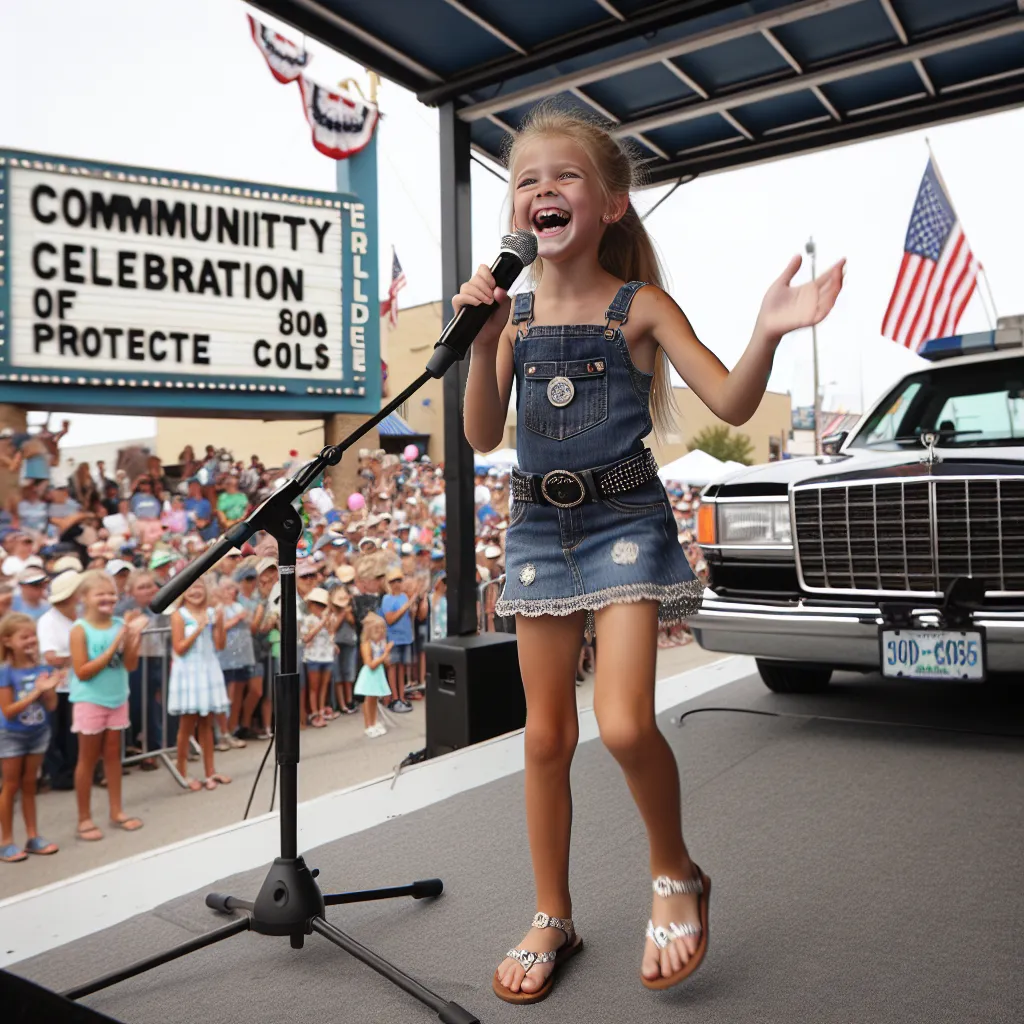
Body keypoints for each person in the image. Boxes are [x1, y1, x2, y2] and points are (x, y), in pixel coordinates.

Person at [457, 105, 844, 1000]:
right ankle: (552, 913)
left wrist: (770, 330)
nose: (543, 189)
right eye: (526, 179)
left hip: (626, 519)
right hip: (535, 529)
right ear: (516, 213)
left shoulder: (641, 307)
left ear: (614, 206)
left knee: (624, 722)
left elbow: (734, 403)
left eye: (566, 176)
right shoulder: (506, 317)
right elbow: (482, 435)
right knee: (546, 734)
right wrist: (482, 346)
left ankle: (675, 870)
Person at [68, 570, 147, 841]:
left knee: (113, 757)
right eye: (100, 593)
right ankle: (84, 818)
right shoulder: (79, 630)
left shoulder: (119, 624)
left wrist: (133, 640)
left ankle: (116, 811)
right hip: (90, 701)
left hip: (117, 698)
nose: (107, 598)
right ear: (84, 598)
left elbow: (130, 665)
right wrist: (117, 641)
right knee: (87, 760)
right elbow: (83, 672)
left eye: (111, 593)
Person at [0, 613, 60, 861]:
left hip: (38, 733)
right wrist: (37, 691)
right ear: (7, 641)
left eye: (32, 635)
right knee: (10, 786)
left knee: (29, 784)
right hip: (11, 735)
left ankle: (33, 836)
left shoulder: (43, 669)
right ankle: (6, 841)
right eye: (23, 636)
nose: (30, 640)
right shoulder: (6, 672)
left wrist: (49, 690)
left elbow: (53, 705)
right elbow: (8, 711)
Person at [167, 580, 231, 791]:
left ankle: (210, 772)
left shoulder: (211, 612)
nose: (195, 591)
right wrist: (199, 628)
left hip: (208, 668)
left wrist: (220, 624)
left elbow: (220, 645)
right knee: (187, 724)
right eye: (190, 587)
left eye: (199, 587)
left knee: (207, 722)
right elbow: (179, 648)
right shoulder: (179, 616)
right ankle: (181, 772)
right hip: (188, 671)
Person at [37, 570, 82, 790]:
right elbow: (50, 656)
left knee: (73, 733)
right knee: (58, 733)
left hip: (77, 683)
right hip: (58, 686)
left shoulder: (78, 616)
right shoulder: (48, 621)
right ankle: (60, 775)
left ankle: (73, 770)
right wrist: (79, 657)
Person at [214, 577, 252, 748]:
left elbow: (250, 624)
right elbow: (219, 629)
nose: (231, 592)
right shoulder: (218, 608)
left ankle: (231, 730)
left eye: (232, 588)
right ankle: (221, 733)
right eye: (227, 588)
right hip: (224, 658)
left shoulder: (238, 605)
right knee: (225, 697)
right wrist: (237, 618)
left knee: (236, 695)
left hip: (241, 656)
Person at [380, 567, 415, 712]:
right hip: (393, 639)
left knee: (402, 669)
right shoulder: (387, 599)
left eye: (399, 580)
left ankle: (402, 697)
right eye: (394, 581)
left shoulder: (404, 597)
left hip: (406, 638)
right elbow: (390, 619)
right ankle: (394, 699)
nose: (397, 583)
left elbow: (410, 617)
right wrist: (407, 605)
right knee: (393, 669)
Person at [301, 587, 335, 726]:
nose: (320, 608)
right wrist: (321, 622)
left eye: (323, 605)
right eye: (317, 604)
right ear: (310, 605)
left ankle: (321, 710)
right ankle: (314, 713)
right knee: (314, 687)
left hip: (327, 655)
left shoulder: (328, 618)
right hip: (313, 657)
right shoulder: (307, 619)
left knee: (324, 686)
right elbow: (307, 638)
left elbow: (332, 634)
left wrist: (327, 621)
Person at [353, 613, 391, 739]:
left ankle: (374, 722)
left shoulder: (380, 643)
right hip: (370, 674)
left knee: (374, 699)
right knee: (368, 700)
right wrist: (384, 654)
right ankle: (368, 725)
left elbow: (386, 662)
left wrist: (387, 654)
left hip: (378, 672)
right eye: (377, 629)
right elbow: (370, 664)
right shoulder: (366, 644)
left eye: (382, 628)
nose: (380, 632)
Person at [331, 568, 359, 715]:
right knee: (338, 675)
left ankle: (349, 700)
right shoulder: (331, 610)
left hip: (349, 641)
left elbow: (354, 622)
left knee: (349, 673)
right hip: (336, 643)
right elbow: (332, 629)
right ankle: (341, 704)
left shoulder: (351, 606)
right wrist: (341, 613)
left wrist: (347, 612)